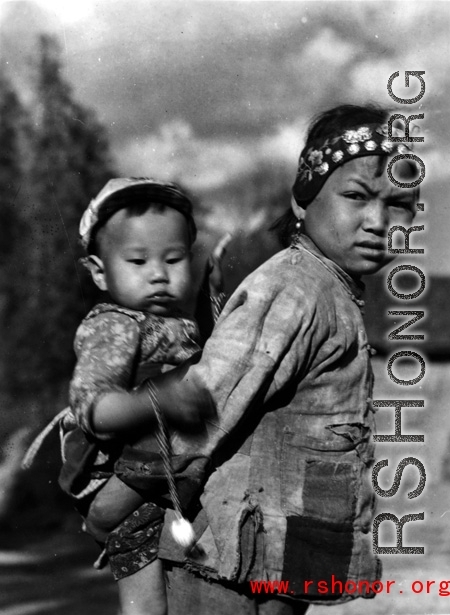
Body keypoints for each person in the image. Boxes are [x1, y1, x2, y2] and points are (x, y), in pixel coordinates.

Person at [76, 104, 420, 614]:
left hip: (273, 557)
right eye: (355, 196)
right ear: (302, 202)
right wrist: (113, 504)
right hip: (228, 565)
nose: (378, 222)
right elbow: (210, 401)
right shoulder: (295, 288)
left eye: (400, 205)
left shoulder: (332, 289)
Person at [57, 178, 228, 615]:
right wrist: (159, 402)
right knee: (147, 597)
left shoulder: (174, 320)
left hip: (158, 468)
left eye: (174, 260)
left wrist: (213, 291)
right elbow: (94, 406)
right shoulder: (115, 325)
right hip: (114, 471)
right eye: (137, 260)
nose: (158, 273)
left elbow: (214, 358)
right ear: (99, 272)